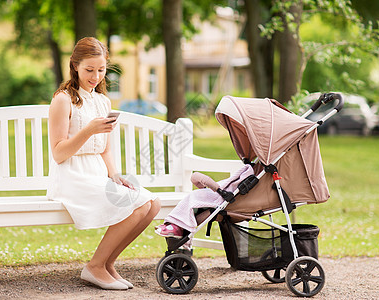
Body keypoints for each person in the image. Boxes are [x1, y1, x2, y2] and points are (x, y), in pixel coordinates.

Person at [47, 37, 160, 290]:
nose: (95, 76)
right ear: (75, 65)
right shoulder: (63, 100)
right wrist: (88, 130)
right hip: (72, 177)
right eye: (89, 70)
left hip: (97, 175)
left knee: (153, 205)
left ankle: (108, 263)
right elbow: (58, 153)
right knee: (138, 204)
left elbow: (105, 148)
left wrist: (116, 176)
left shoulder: (103, 101)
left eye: (101, 70)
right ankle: (95, 266)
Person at [155, 164, 254, 247]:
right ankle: (176, 225)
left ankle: (177, 227)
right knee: (194, 199)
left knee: (193, 197)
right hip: (220, 193)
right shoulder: (248, 170)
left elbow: (232, 185)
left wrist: (220, 191)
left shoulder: (250, 175)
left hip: (222, 197)